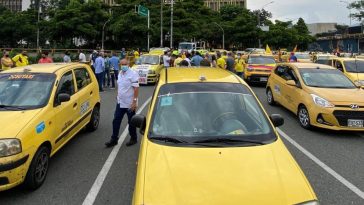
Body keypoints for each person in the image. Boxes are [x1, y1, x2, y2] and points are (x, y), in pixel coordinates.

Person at [105, 58, 139, 147]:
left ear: (128, 64)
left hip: (130, 103)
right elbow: (120, 86)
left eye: (125, 64)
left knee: (131, 122)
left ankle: (133, 138)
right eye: (122, 64)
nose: (123, 66)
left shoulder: (133, 74)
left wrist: (134, 102)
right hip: (120, 102)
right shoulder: (120, 73)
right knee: (116, 120)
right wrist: (118, 95)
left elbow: (136, 88)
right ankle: (114, 139)